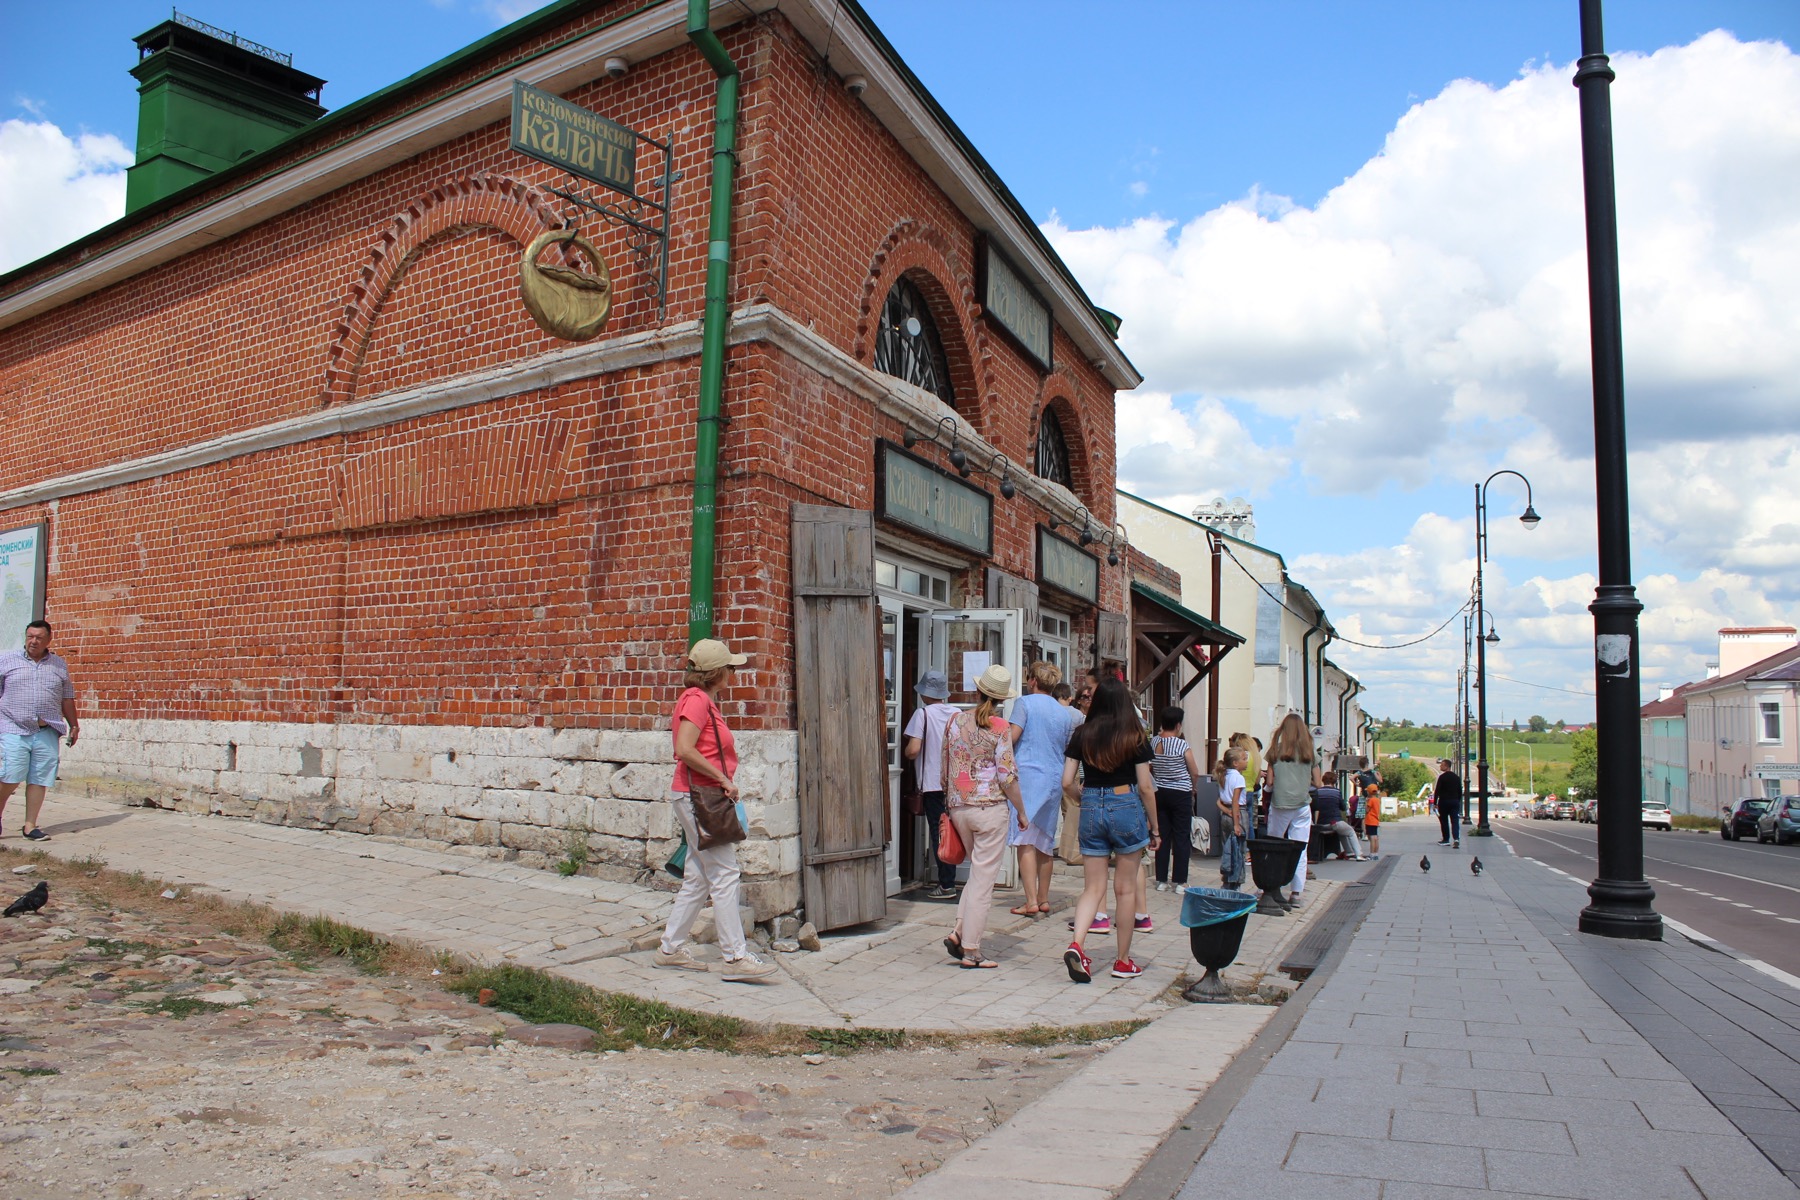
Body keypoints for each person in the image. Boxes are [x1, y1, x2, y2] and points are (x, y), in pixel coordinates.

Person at [655, 639, 777, 982]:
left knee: (698, 876)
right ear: (718, 672)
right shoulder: (696, 701)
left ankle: (670, 949)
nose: (734, 672)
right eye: (731, 667)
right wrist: (722, 777)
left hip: (698, 795)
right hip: (699, 796)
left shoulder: (702, 701)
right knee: (725, 875)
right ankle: (735, 958)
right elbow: (684, 749)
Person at [1061, 679, 1159, 983]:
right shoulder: (1135, 735)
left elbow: (1066, 781)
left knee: (1093, 888)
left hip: (1091, 804)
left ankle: (1077, 943)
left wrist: (1084, 799)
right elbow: (1145, 786)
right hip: (1125, 804)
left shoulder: (1082, 733)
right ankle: (1122, 961)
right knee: (1126, 889)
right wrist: (1155, 827)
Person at [940, 665, 1027, 970]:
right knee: (983, 881)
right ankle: (972, 950)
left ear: (977, 691)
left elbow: (945, 764)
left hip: (959, 806)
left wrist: (949, 799)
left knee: (976, 876)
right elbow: (1007, 776)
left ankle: (958, 932)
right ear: (1001, 700)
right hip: (990, 808)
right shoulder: (1001, 727)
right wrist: (1022, 811)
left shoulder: (955, 720)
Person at [1007, 661, 1083, 916]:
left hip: (1029, 775)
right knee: (1045, 841)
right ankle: (1043, 898)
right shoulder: (1065, 713)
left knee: (1025, 838)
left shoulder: (1024, 703)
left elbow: (1013, 736)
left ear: (1032, 681)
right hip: (1054, 776)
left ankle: (1030, 901)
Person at [0, 620, 79, 842]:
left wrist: (74, 725)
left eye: (39, 638)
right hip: (13, 727)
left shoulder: (59, 665)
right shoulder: (6, 661)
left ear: (48, 640)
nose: (33, 641)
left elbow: (67, 697)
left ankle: (30, 826)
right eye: (30, 636)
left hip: (47, 730)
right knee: (10, 776)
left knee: (39, 778)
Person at [903, 670, 960, 899]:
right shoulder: (957, 713)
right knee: (954, 831)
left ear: (925, 693)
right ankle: (952, 879)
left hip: (933, 784)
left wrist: (905, 754)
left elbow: (914, 749)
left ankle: (946, 884)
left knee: (939, 832)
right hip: (956, 783)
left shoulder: (922, 714)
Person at [1262, 714, 1321, 905]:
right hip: (1302, 805)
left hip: (1280, 803)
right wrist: (1303, 782)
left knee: (1273, 845)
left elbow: (1270, 781)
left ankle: (1270, 887)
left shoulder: (1275, 751)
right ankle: (1296, 893)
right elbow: (1319, 784)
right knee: (1300, 848)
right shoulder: (1310, 753)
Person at [1150, 706, 1203, 892]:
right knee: (1181, 836)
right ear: (1178, 724)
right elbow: (1194, 771)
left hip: (1160, 791)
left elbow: (1150, 767)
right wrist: (1193, 786)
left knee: (1162, 835)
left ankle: (1161, 880)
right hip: (1180, 792)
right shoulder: (1182, 745)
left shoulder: (1154, 742)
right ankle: (1180, 881)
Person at [1215, 747, 1249, 888]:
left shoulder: (1224, 776)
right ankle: (1236, 882)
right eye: (1244, 759)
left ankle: (1227, 879)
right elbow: (1235, 801)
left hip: (1226, 815)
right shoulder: (1238, 778)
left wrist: (1226, 811)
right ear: (1235, 763)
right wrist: (1236, 823)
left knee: (1227, 848)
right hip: (1238, 813)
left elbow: (1219, 801)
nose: (1246, 761)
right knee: (1239, 849)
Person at [1312, 783, 1366, 861]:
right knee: (1350, 831)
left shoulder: (1317, 791)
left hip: (1320, 824)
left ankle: (1349, 853)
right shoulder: (1336, 792)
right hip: (1334, 822)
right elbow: (1343, 807)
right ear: (1334, 782)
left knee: (1342, 832)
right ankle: (1359, 854)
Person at [1435, 759, 1463, 848]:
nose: (1440, 766)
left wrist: (1435, 802)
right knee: (1455, 821)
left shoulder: (1442, 777)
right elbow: (1460, 791)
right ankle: (1456, 839)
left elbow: (1437, 791)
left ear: (1446, 766)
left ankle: (1446, 839)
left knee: (1444, 821)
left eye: (1442, 765)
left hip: (1444, 801)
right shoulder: (1456, 777)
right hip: (1454, 801)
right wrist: (1457, 800)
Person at [1361, 781, 1382, 855]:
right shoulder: (1377, 800)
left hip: (1370, 820)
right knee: (1375, 837)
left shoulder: (1371, 800)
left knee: (1372, 838)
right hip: (1375, 820)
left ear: (1369, 792)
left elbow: (1367, 810)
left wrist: (1366, 803)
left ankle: (1372, 853)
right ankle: (1376, 853)